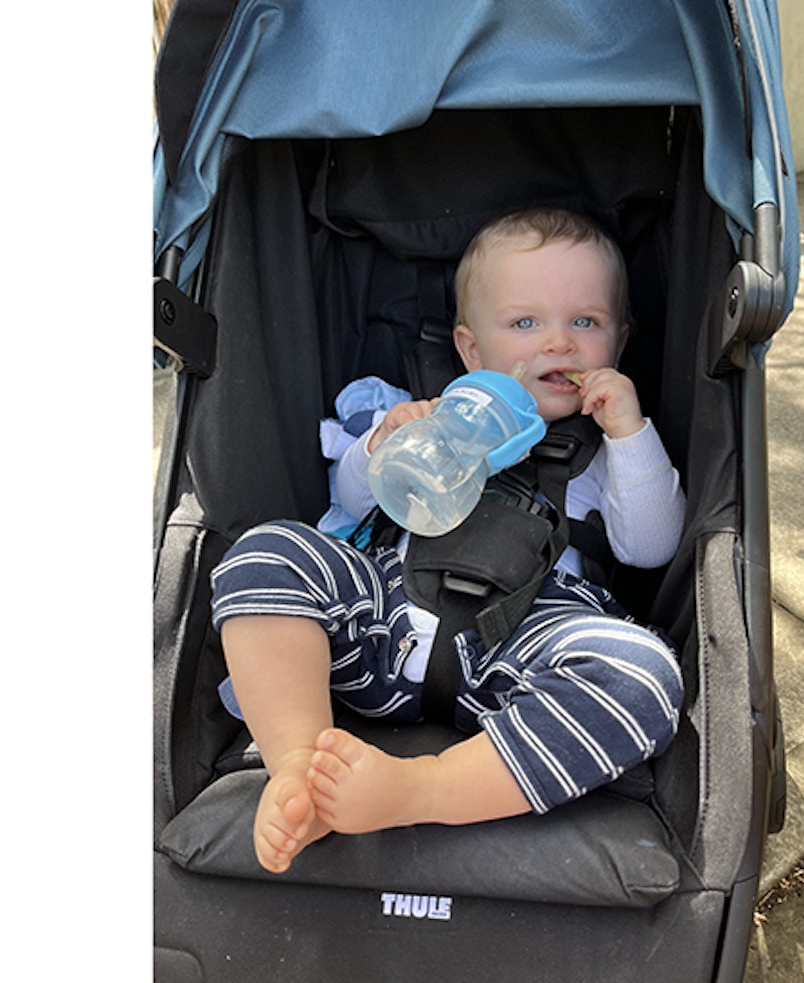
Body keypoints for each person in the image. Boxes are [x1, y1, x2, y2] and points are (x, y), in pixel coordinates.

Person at [211, 206, 686, 874]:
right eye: (525, 323)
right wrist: (383, 444)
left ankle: (422, 788)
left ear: (620, 341)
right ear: (470, 350)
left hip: (522, 651)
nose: (559, 342)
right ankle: (301, 766)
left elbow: (652, 545)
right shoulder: (421, 414)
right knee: (267, 552)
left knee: (644, 675)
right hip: (383, 624)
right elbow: (344, 502)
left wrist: (631, 432)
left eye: (586, 322)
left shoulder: (608, 453)